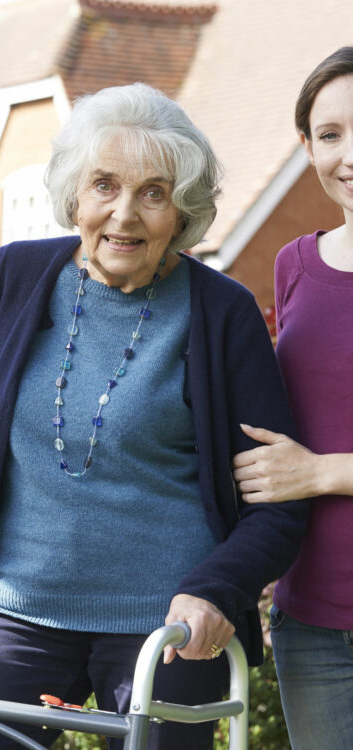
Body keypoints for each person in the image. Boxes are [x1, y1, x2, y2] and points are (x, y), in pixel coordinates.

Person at [0, 82, 308, 750]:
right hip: (16, 611)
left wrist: (219, 590)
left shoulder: (223, 313)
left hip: (170, 625)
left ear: (181, 209)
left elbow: (279, 503)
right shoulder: (12, 278)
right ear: (75, 191)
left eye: (153, 192)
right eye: (105, 185)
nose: (124, 214)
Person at [232, 47, 353, 750]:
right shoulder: (293, 266)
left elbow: (308, 459)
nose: (348, 155)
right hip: (310, 622)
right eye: (330, 134)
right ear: (306, 145)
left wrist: (320, 473)